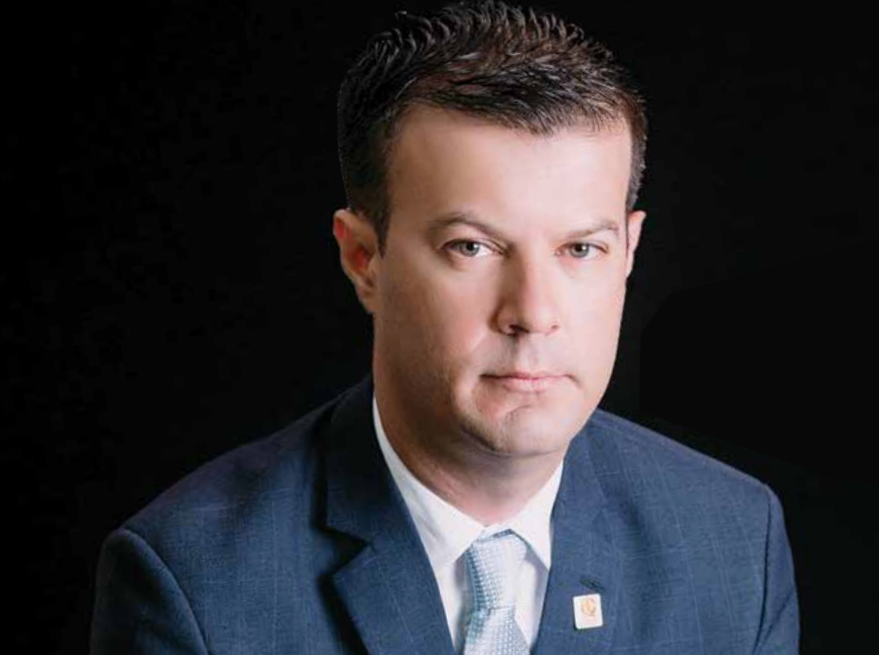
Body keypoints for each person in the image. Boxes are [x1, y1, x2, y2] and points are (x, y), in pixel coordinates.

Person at [89, 1, 800, 653]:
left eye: (581, 249)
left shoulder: (735, 543)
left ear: (629, 253)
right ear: (364, 259)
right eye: (472, 247)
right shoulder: (196, 583)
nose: (533, 312)